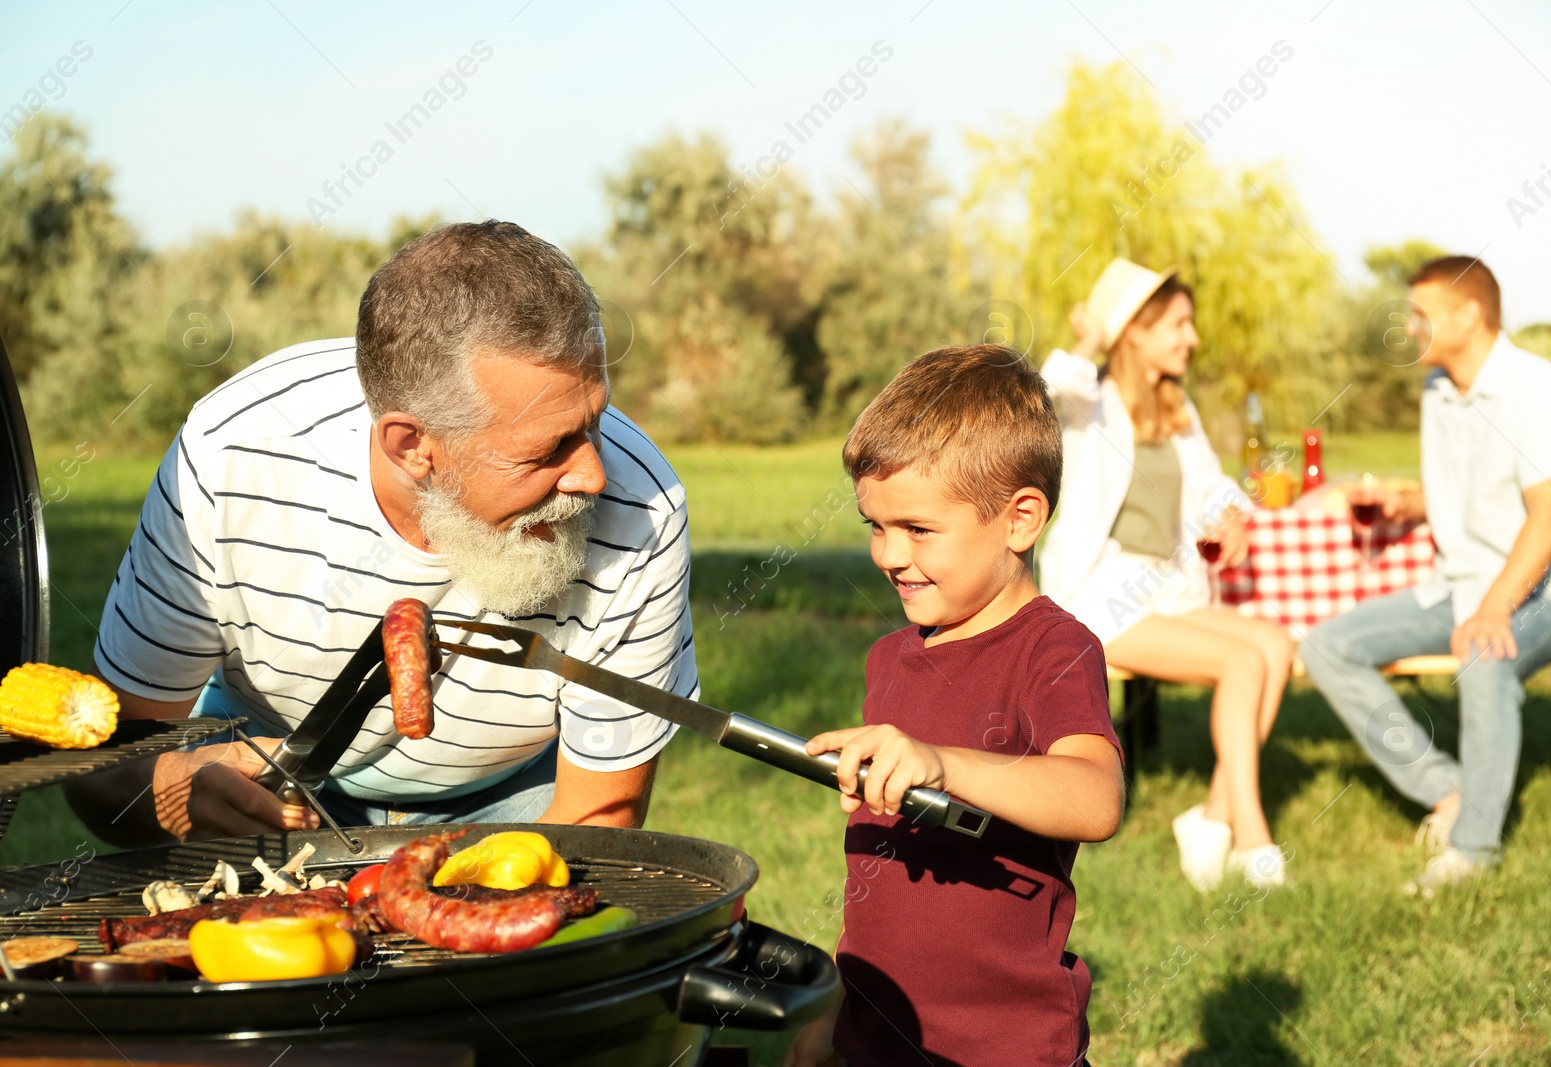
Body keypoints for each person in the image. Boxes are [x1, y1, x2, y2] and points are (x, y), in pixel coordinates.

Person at [66, 221, 694, 845]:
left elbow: (597, 817)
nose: (593, 474)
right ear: (412, 445)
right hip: (266, 781)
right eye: (549, 449)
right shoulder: (234, 454)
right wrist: (174, 788)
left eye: (594, 421)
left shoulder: (643, 505)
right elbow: (102, 769)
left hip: (515, 804)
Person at [785, 345, 1125, 1067]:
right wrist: (839, 1017)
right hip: (881, 1039)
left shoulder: (1054, 650)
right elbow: (885, 885)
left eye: (918, 529)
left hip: (1004, 1048)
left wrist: (945, 764)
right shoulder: (890, 658)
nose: (887, 554)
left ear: (1019, 519)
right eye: (875, 525)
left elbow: (1095, 796)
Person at [1301, 256, 1551, 896]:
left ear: (1470, 315)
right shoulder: (1439, 392)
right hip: (1456, 584)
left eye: (1422, 313)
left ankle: (1473, 852)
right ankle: (1449, 789)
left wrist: (1492, 610)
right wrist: (1412, 504)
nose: (1408, 327)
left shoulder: (1540, 391)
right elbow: (1461, 494)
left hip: (1541, 593)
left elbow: (1547, 521)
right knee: (1326, 645)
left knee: (1485, 655)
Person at [1035, 258, 1295, 892]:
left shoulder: (1179, 410)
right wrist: (1091, 333)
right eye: (1179, 324)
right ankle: (1252, 835)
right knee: (1241, 665)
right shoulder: (1087, 404)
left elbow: (1213, 488)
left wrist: (1230, 515)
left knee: (1276, 646)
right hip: (1101, 602)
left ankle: (1211, 816)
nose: (1192, 338)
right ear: (1136, 331)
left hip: (1167, 589)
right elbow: (1047, 383)